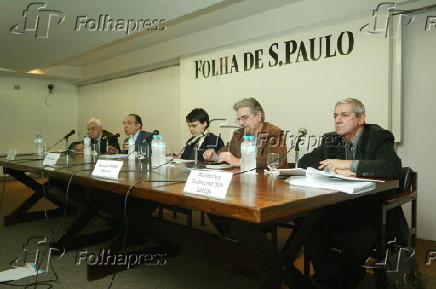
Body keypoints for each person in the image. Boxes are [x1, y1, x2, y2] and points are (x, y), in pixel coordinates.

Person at [299, 98, 407, 289]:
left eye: (344, 115)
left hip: (373, 211)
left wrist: (350, 165)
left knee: (353, 241)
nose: (338, 120)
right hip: (340, 207)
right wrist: (331, 168)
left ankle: (348, 278)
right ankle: (331, 275)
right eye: (335, 116)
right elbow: (305, 162)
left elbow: (392, 167)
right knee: (305, 228)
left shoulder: (379, 136)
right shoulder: (331, 139)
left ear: (361, 118)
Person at [203, 97, 288, 168]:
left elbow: (278, 160)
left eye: (244, 118)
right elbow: (228, 151)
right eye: (239, 119)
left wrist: (239, 162)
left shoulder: (275, 133)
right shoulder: (238, 134)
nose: (241, 123)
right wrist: (214, 155)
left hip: (269, 184)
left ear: (258, 116)